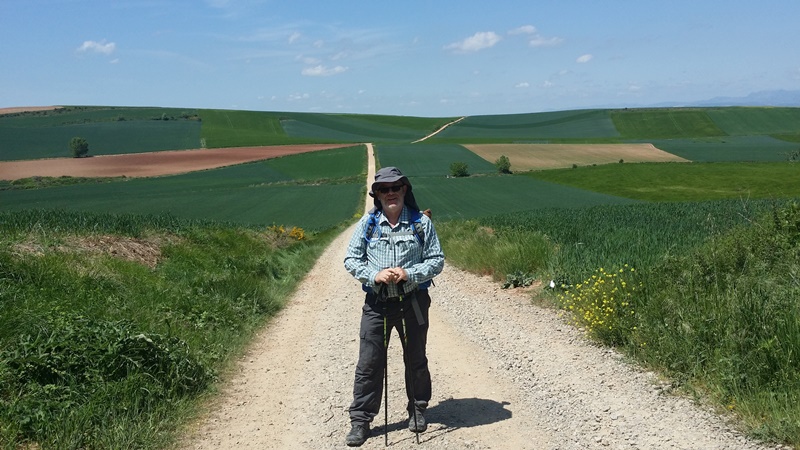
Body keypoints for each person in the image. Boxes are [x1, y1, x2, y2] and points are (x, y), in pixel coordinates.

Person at [343, 166, 445, 447]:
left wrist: (409, 273)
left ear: (404, 191)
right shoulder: (368, 223)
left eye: (396, 188)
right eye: (384, 189)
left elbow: (436, 260)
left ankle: (418, 410)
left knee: (416, 358)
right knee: (369, 362)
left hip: (413, 302)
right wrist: (373, 275)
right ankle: (361, 421)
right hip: (377, 303)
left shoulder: (421, 224)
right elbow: (351, 259)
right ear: (377, 194)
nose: (390, 193)